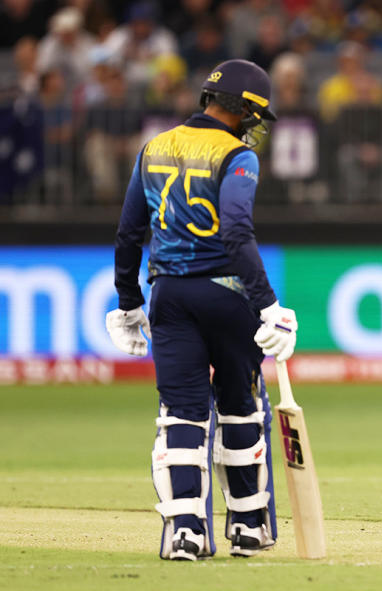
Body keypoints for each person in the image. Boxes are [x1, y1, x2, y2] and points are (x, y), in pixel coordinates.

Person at [105, 59, 299, 561]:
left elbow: (129, 233)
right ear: (247, 111)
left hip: (168, 296)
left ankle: (185, 532)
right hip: (227, 295)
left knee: (181, 414)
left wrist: (128, 303)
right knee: (239, 404)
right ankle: (249, 526)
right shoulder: (237, 156)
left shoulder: (153, 147)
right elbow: (236, 232)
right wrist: (269, 304)